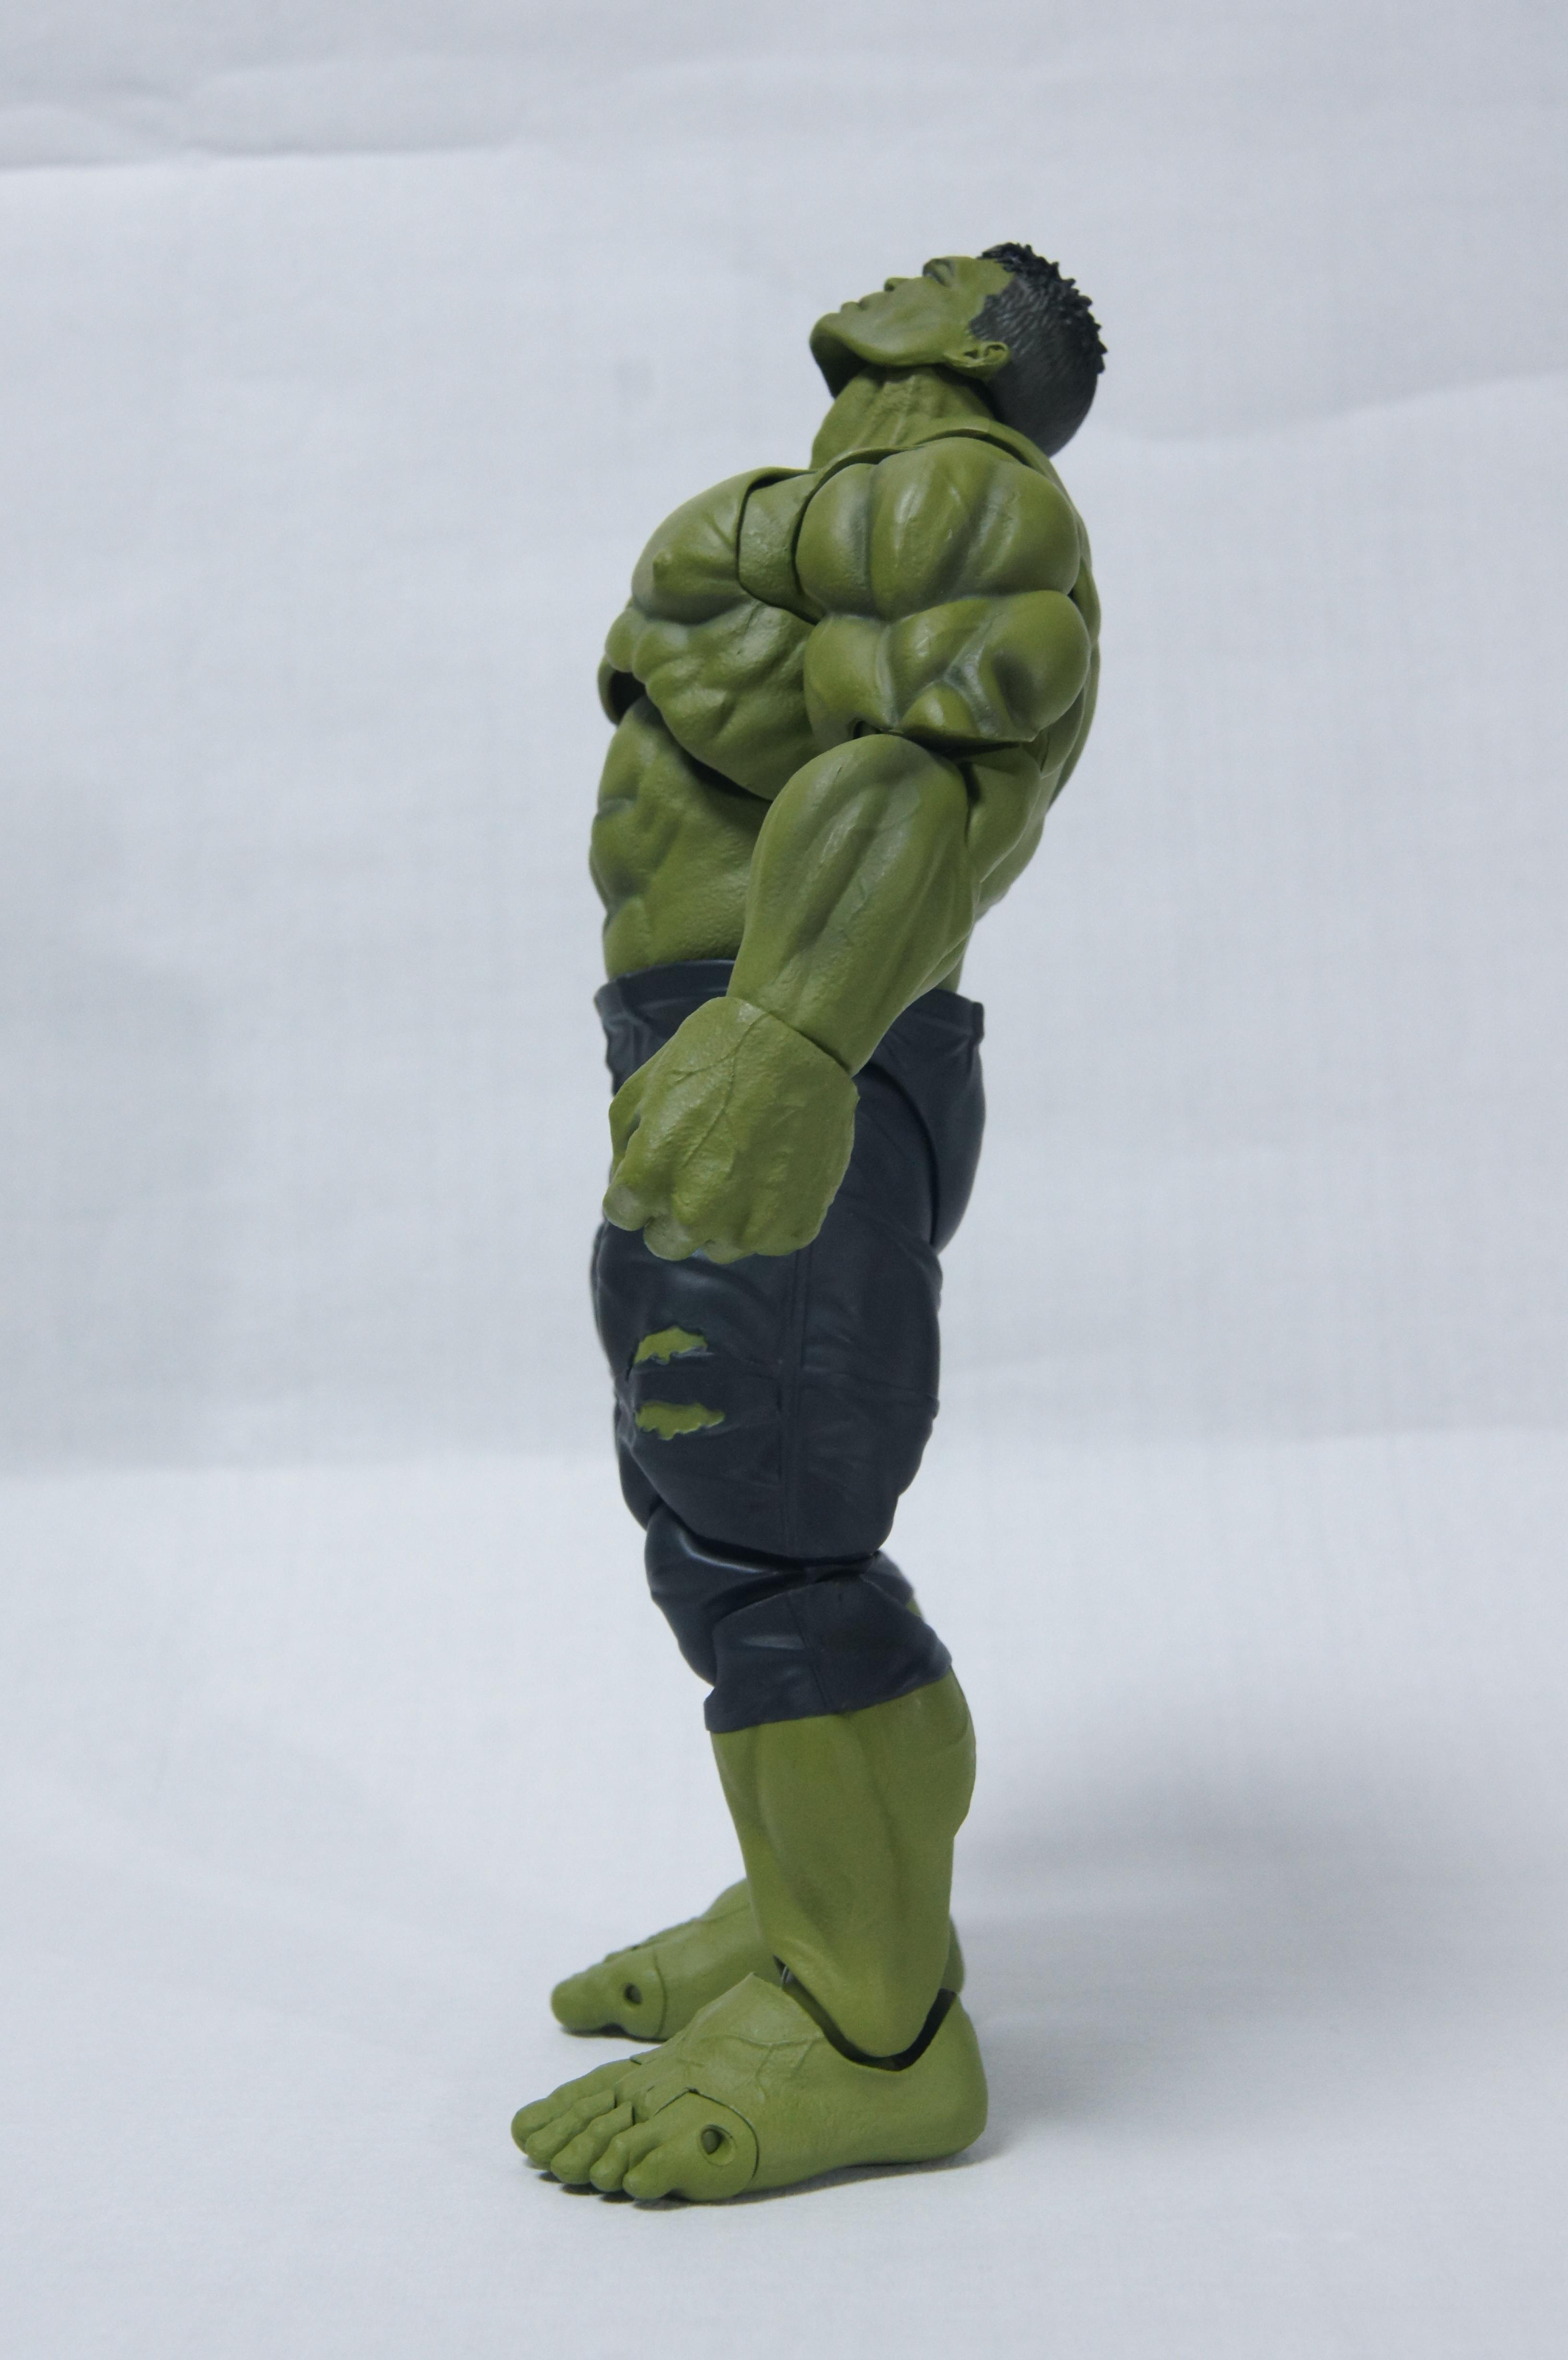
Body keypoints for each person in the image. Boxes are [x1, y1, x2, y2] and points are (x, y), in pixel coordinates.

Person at [513, 245, 1105, 2200]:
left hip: (799, 1030)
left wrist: (786, 1040)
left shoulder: (958, 487)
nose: (908, 274)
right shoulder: (851, 499)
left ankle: (874, 2029)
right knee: (715, 1505)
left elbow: (928, 760)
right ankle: (814, 1905)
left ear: (984, 344)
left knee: (766, 1516)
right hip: (732, 1024)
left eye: (959, 277)